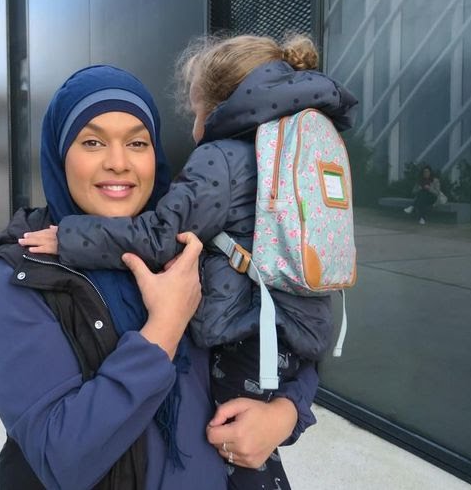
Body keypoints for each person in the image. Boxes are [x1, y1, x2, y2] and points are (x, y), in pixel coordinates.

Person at [18, 36, 358, 488]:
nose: (118, 163)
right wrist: (164, 329)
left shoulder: (212, 170)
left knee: (234, 443)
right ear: (60, 152)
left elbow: (160, 235)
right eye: (93, 141)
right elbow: (59, 455)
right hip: (291, 329)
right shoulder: (22, 277)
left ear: (216, 107)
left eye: (138, 143)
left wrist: (284, 414)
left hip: (246, 343)